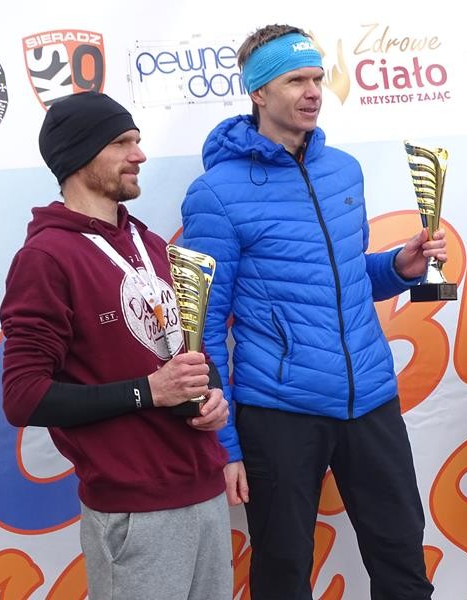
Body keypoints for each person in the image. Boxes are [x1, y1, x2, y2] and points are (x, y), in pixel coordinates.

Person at [180, 24, 443, 600]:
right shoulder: (215, 193)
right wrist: (227, 446)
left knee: (403, 562)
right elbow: (200, 328)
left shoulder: (344, 170)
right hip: (280, 412)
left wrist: (399, 266)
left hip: (370, 397)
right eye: (295, 80)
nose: (313, 92)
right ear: (258, 92)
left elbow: (345, 276)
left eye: (318, 79)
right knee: (283, 573)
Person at [0, 92, 232, 600]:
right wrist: (148, 391)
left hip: (205, 492)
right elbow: (23, 397)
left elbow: (186, 354)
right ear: (80, 154)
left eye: (138, 141)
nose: (139, 155)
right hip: (134, 512)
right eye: (122, 143)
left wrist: (211, 395)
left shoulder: (149, 244)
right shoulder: (46, 258)